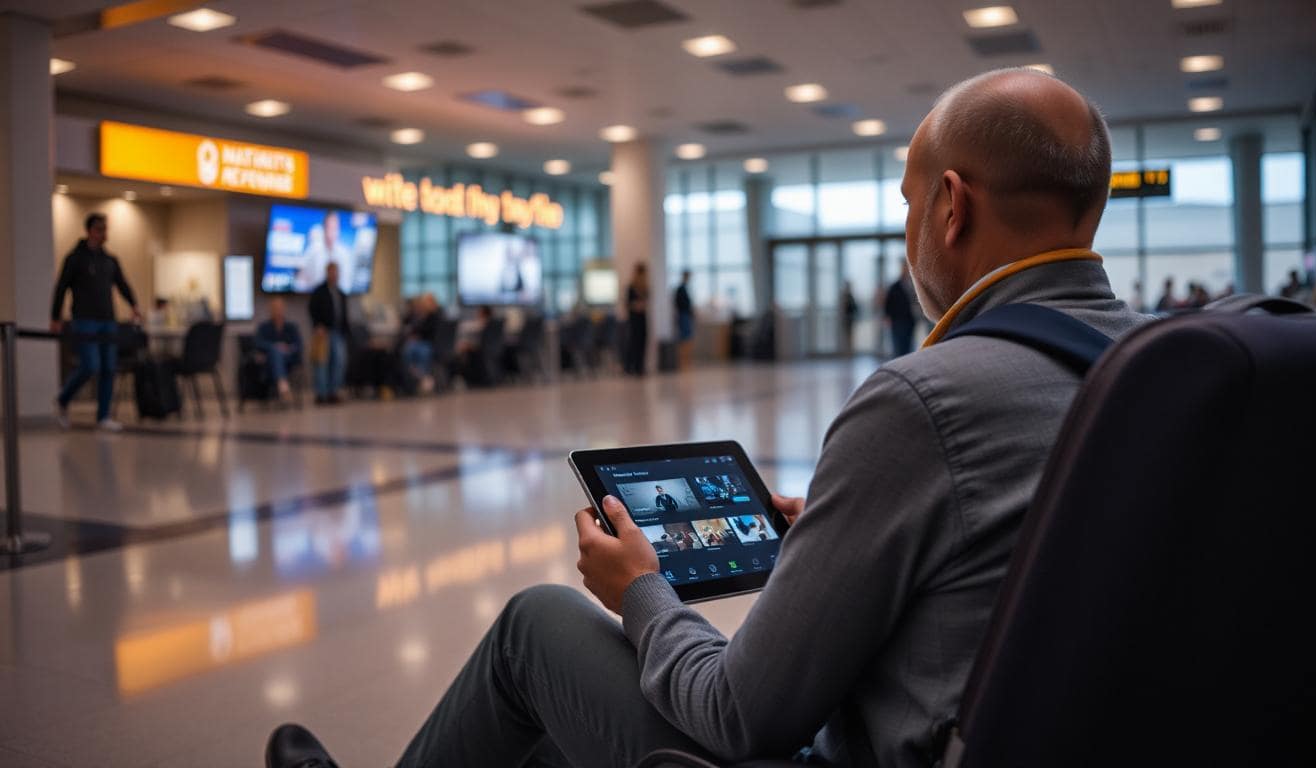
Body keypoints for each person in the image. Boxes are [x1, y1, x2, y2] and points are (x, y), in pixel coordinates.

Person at [265, 68, 1150, 768]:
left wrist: (641, 590)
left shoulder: (925, 401)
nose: (911, 226)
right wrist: (846, 546)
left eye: (912, 203)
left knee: (537, 630)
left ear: (952, 207)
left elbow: (737, 714)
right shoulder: (1156, 371)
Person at [50, 212, 142, 431]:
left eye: (105, 229)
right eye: (100, 229)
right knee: (90, 365)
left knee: (108, 368)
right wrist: (55, 317)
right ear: (90, 230)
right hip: (84, 320)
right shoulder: (75, 259)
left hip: (107, 321)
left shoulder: (109, 260)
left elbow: (122, 284)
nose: (104, 234)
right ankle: (63, 399)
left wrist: (134, 305)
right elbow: (61, 288)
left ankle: (103, 416)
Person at [307, 262, 349, 405]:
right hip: (323, 333)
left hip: (338, 332)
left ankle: (333, 392)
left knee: (338, 363)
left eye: (336, 272)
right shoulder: (319, 292)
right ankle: (321, 393)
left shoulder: (341, 293)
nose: (334, 275)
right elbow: (312, 310)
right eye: (332, 272)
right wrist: (318, 326)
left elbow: (344, 315)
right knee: (322, 363)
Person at [255, 297, 303, 403]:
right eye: (275, 308)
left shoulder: (291, 327)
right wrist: (275, 346)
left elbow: (298, 345)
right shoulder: (264, 327)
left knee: (276, 353)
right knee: (275, 351)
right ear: (270, 310)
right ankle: (283, 387)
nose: (278, 311)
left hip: (289, 359)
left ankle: (282, 385)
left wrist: (288, 348)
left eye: (280, 308)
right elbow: (258, 342)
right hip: (269, 361)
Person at [398, 294, 440, 395]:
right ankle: (411, 377)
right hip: (415, 343)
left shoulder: (434, 316)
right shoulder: (417, 316)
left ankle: (423, 377)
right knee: (408, 350)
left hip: (428, 343)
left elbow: (429, 332)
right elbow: (407, 325)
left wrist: (417, 337)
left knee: (420, 351)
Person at [883, 263, 916, 357]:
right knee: (898, 346)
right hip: (897, 320)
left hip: (909, 320)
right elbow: (888, 303)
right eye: (904, 268)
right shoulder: (894, 286)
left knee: (908, 345)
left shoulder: (912, 285)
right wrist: (887, 317)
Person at [623, 262, 650, 375]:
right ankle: (631, 367)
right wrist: (636, 306)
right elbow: (628, 304)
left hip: (642, 318)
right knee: (634, 343)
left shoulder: (645, 287)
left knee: (643, 342)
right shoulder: (631, 287)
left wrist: (642, 305)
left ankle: (640, 367)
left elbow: (647, 301)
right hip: (634, 319)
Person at [674, 269, 695, 345]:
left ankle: (686, 356)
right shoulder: (681, 289)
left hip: (685, 315)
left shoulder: (684, 288)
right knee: (684, 338)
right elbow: (679, 303)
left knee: (687, 337)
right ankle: (684, 356)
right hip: (683, 315)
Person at [841, 280, 860, 355]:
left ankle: (849, 351)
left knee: (850, 335)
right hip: (847, 318)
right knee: (847, 335)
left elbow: (854, 307)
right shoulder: (845, 296)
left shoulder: (850, 296)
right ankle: (847, 351)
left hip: (850, 318)